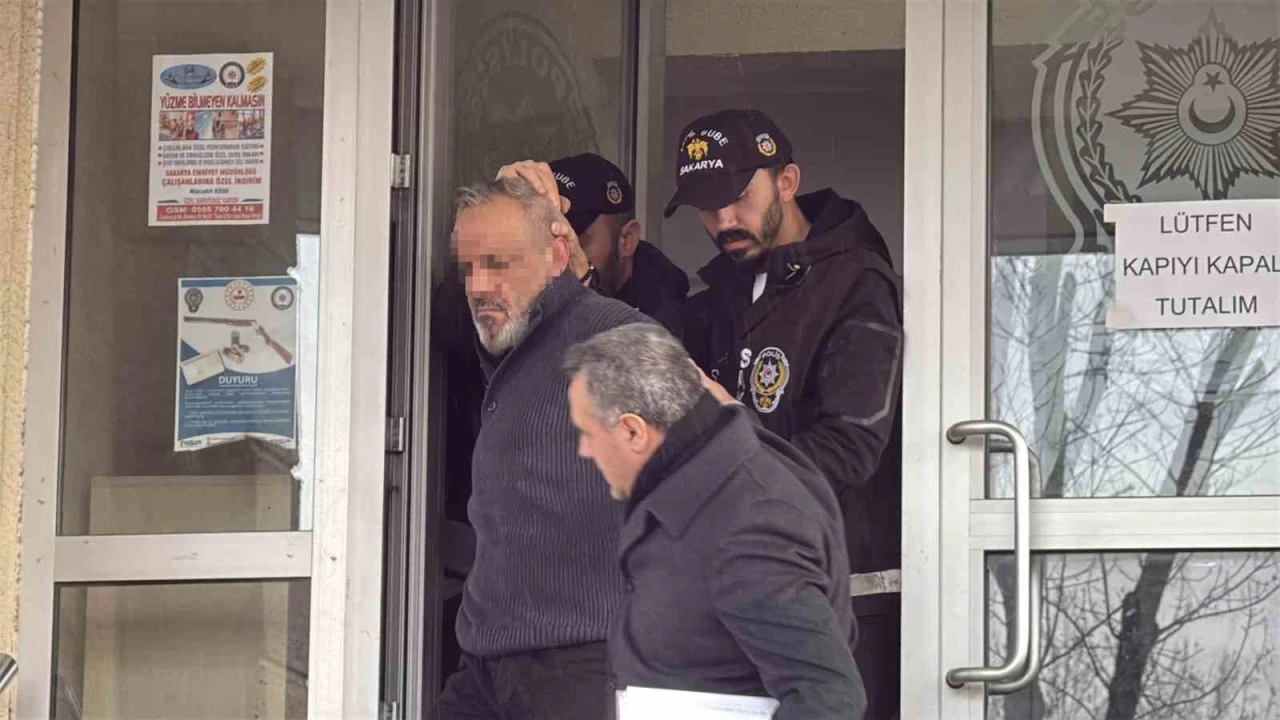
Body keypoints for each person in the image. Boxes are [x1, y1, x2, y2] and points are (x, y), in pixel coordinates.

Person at [502, 108, 904, 719]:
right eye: (706, 207)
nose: (723, 221)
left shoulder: (857, 282)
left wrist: (724, 467)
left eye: (738, 198)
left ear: (787, 181)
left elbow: (851, 449)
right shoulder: (721, 297)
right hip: (713, 600)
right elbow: (633, 373)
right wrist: (570, 268)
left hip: (829, 595)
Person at [563, 323, 867, 720]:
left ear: (634, 431)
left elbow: (828, 697)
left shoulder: (748, 528)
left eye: (587, 432)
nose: (584, 450)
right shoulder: (702, 464)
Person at [440, 174, 650, 719]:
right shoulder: (510, 346)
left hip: (582, 662)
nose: (479, 285)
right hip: (487, 660)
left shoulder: (614, 336)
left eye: (498, 263)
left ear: (558, 256)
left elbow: (719, 467)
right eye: (468, 268)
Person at [507, 153, 690, 315]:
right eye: (544, 240)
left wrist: (584, 287)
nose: (555, 261)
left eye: (574, 243)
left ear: (627, 240)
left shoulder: (669, 320)